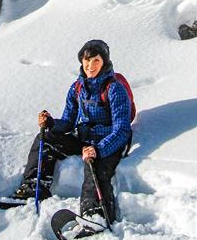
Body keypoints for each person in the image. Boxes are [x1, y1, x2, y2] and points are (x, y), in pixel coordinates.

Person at [13, 39, 132, 224]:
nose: (90, 66)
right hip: (85, 139)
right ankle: (34, 186)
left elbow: (122, 129)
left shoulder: (115, 89)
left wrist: (99, 149)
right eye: (86, 61)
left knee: (94, 166)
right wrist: (51, 123)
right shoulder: (77, 88)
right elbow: (68, 121)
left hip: (109, 142)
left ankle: (96, 215)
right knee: (46, 139)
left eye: (96, 61)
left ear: (104, 62)